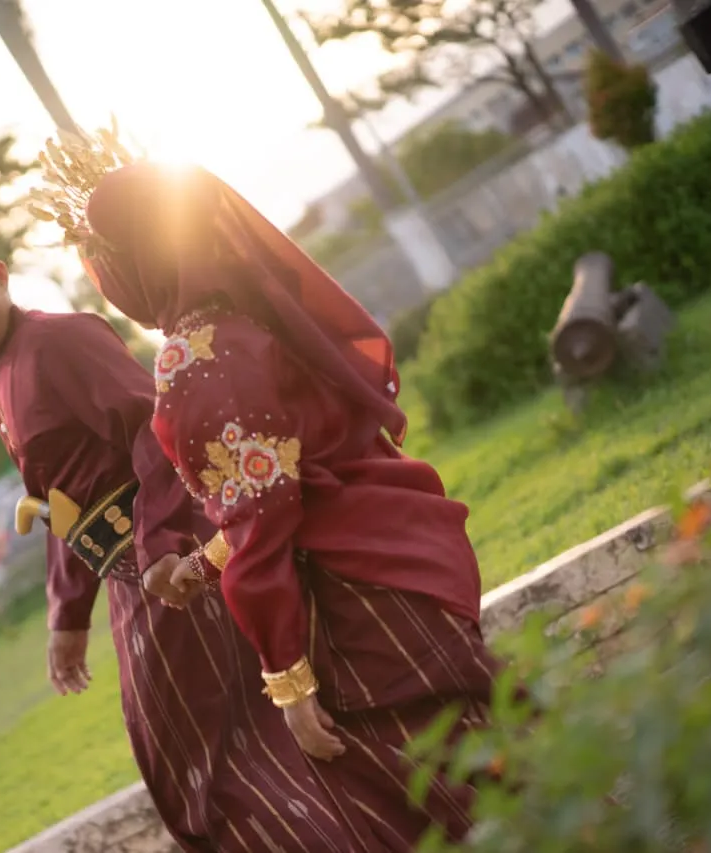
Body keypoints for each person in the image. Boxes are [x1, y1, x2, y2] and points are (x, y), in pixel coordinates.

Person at [0, 218, 410, 851]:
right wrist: (67, 615)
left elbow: (153, 429)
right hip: (133, 584)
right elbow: (58, 498)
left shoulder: (58, 341)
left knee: (225, 767)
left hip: (179, 571)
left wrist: (162, 543)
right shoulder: (2, 372)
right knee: (197, 765)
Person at [44, 157, 504, 847]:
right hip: (406, 553)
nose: (105, 283)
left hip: (359, 595)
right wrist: (201, 565)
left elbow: (261, 523)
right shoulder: (253, 317)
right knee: (492, 759)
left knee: (449, 792)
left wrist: (288, 681)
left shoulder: (194, 357)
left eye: (103, 262)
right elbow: (290, 481)